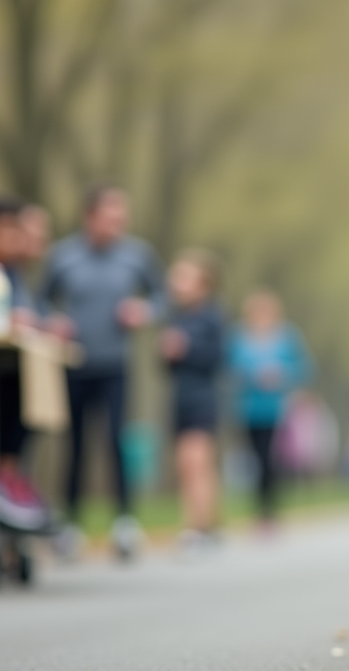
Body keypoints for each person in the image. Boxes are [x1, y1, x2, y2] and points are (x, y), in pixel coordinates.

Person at [37, 185, 166, 560]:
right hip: (75, 363)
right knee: (75, 444)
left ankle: (125, 523)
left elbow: (161, 296)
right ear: (89, 217)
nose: (117, 226)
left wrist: (144, 311)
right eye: (111, 218)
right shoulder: (63, 257)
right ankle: (71, 525)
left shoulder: (137, 256)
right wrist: (52, 320)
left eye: (122, 219)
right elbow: (41, 298)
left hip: (116, 364)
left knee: (116, 442)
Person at [0, 198, 51, 532]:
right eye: (11, 229)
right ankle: (0, 478)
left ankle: (8, 477)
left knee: (32, 387)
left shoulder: (9, 274)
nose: (18, 238)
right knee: (16, 387)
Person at [160, 249, 226, 551]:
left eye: (184, 278)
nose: (177, 284)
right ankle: (204, 525)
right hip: (180, 398)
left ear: (203, 283)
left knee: (196, 462)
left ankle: (200, 528)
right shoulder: (178, 318)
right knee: (186, 465)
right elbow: (167, 366)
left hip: (203, 397)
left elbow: (218, 358)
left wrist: (187, 349)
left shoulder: (212, 317)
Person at [228, 289, 311, 530]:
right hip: (247, 408)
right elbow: (230, 368)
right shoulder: (239, 337)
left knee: (270, 459)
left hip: (278, 409)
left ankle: (269, 510)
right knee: (254, 460)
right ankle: (259, 508)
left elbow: (304, 367)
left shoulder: (287, 335)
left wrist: (281, 374)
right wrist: (252, 375)